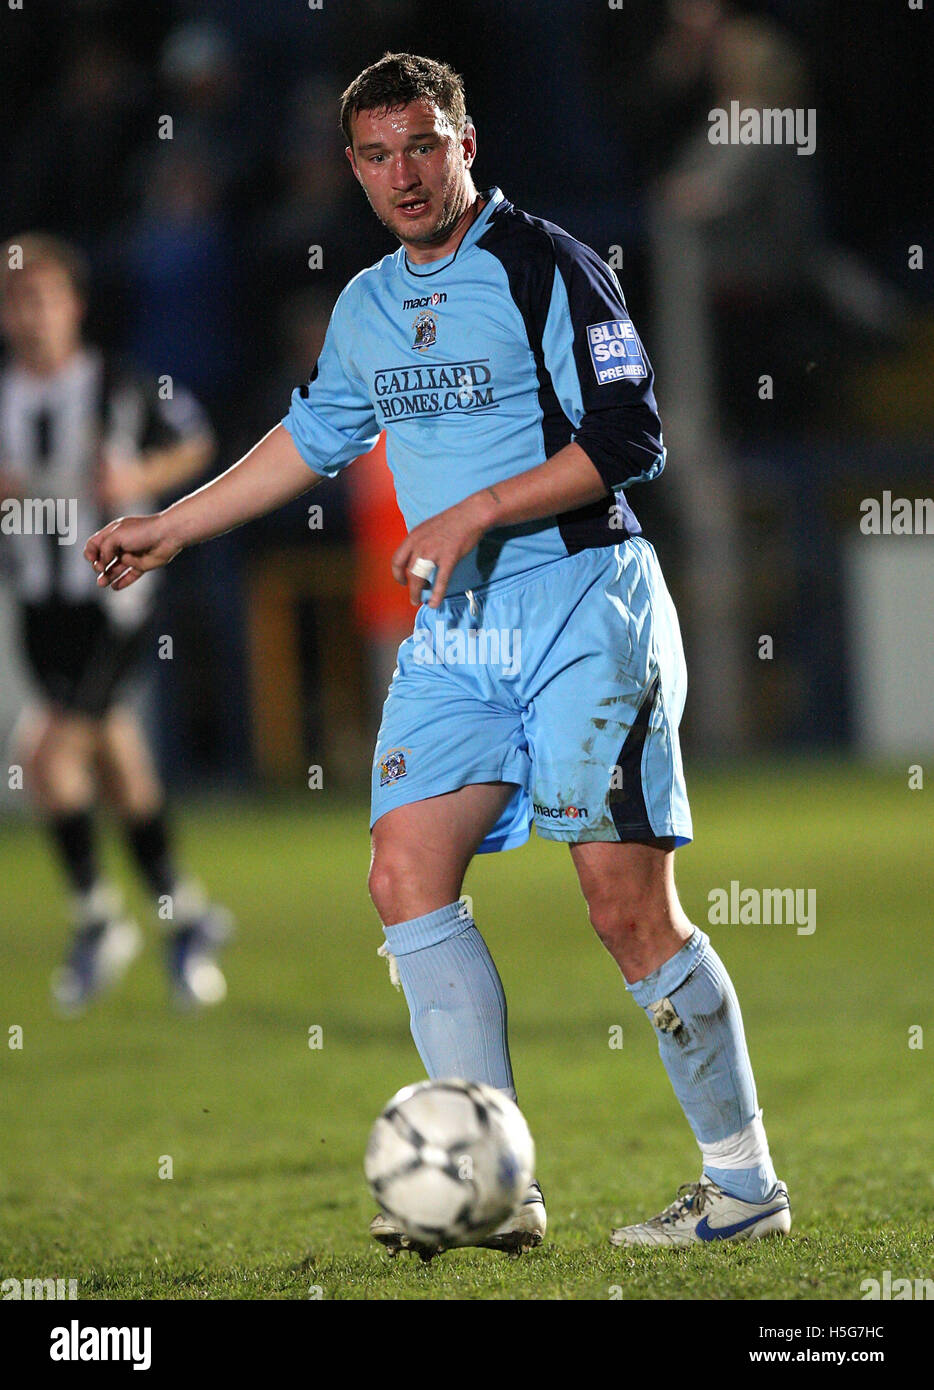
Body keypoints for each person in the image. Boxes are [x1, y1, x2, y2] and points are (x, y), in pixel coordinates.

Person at [85, 53, 791, 1255]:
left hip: (580, 602)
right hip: (458, 634)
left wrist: (473, 510)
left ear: (466, 142)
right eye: (376, 154)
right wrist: (171, 524)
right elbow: (308, 438)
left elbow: (630, 438)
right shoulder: (364, 303)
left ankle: (743, 1186)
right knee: (404, 873)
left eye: (424, 145)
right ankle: (489, 1187)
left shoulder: (545, 264)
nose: (403, 174)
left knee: (625, 908)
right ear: (352, 167)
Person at [0, 233, 232, 1012]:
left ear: (73, 304)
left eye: (41, 298)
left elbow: (198, 439)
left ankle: (98, 916)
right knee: (118, 762)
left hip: (112, 603)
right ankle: (186, 917)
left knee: (44, 755)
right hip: (38, 606)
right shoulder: (4, 395)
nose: (29, 315)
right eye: (14, 300)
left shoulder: (120, 385)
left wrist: (140, 476)